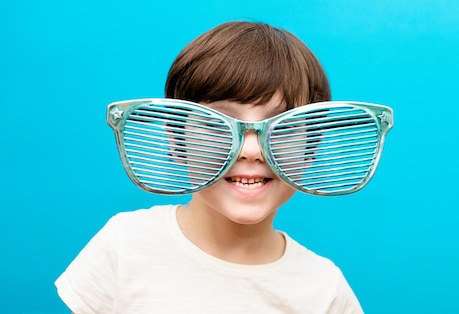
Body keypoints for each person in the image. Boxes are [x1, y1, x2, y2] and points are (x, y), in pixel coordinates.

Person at [55, 21, 366, 313]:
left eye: (282, 128)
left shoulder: (325, 289)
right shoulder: (124, 244)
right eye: (218, 124)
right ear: (177, 142)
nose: (251, 150)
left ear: (310, 149)